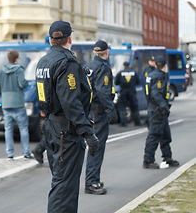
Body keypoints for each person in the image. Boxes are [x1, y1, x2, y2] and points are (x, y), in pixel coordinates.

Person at [36, 20, 99, 212]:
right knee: (64, 187)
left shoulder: (44, 61)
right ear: (69, 38)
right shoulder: (67, 62)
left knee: (61, 182)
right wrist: (88, 133)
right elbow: (70, 102)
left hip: (52, 126)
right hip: (66, 133)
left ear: (50, 39)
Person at [83, 40, 118, 195]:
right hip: (98, 112)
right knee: (96, 147)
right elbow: (103, 92)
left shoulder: (88, 67)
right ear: (106, 52)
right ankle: (91, 182)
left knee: (93, 146)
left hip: (89, 111)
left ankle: (93, 178)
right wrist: (111, 112)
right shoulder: (103, 68)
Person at [0, 50, 33, 160]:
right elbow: (22, 83)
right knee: (23, 129)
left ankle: (10, 154)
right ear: (16, 59)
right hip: (18, 103)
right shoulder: (19, 70)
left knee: (8, 129)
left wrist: (4, 94)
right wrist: (26, 84)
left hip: (6, 103)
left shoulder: (1, 71)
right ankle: (26, 152)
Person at [143, 56, 179, 169]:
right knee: (154, 136)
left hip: (157, 110)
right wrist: (164, 107)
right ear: (164, 65)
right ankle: (148, 160)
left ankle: (167, 157)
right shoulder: (159, 76)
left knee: (165, 135)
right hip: (157, 111)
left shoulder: (151, 74)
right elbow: (156, 93)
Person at [115, 61, 142, 127]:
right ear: (129, 66)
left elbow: (116, 83)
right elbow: (138, 82)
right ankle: (137, 122)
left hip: (123, 92)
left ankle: (123, 122)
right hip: (132, 91)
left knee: (122, 107)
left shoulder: (120, 73)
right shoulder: (134, 72)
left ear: (124, 66)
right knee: (134, 107)